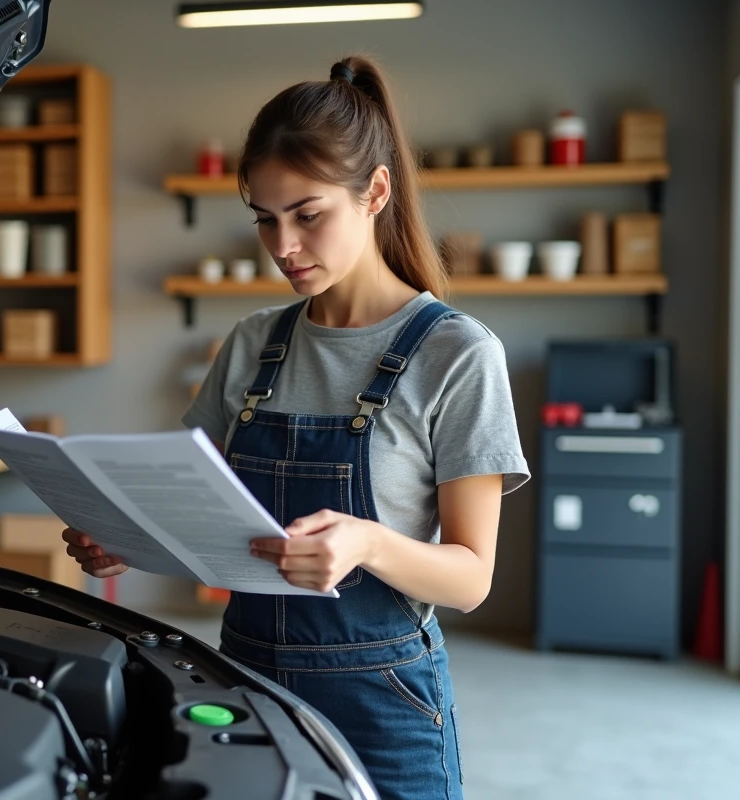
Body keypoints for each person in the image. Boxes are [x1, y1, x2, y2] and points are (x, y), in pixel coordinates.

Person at [63, 55, 529, 800]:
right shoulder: (252, 343)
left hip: (384, 698)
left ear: (375, 191)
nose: (283, 246)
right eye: (266, 220)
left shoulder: (458, 354)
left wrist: (368, 542)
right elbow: (209, 514)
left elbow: (473, 577)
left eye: (308, 215)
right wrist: (126, 538)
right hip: (243, 676)